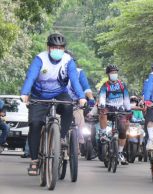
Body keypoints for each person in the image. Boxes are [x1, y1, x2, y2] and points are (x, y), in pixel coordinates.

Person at [20, 33, 86, 175]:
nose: (57, 49)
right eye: (54, 47)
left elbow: (74, 80)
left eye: (60, 47)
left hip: (59, 93)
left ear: (64, 48)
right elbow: (31, 76)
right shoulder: (40, 59)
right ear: (48, 47)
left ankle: (61, 137)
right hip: (39, 95)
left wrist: (81, 96)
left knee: (69, 106)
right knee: (35, 124)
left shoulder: (68, 60)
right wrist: (25, 93)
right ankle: (34, 161)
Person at [98, 64, 131, 165]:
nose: (114, 74)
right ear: (108, 74)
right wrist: (102, 105)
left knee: (122, 131)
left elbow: (126, 98)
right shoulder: (105, 86)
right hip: (108, 107)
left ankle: (120, 152)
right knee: (102, 113)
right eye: (112, 72)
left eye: (115, 72)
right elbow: (102, 97)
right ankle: (103, 133)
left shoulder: (122, 85)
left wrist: (128, 109)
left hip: (120, 109)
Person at [65, 51, 95, 144]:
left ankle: (76, 143)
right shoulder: (54, 71)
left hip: (75, 103)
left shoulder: (79, 72)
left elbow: (86, 88)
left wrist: (91, 99)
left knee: (80, 122)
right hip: (59, 102)